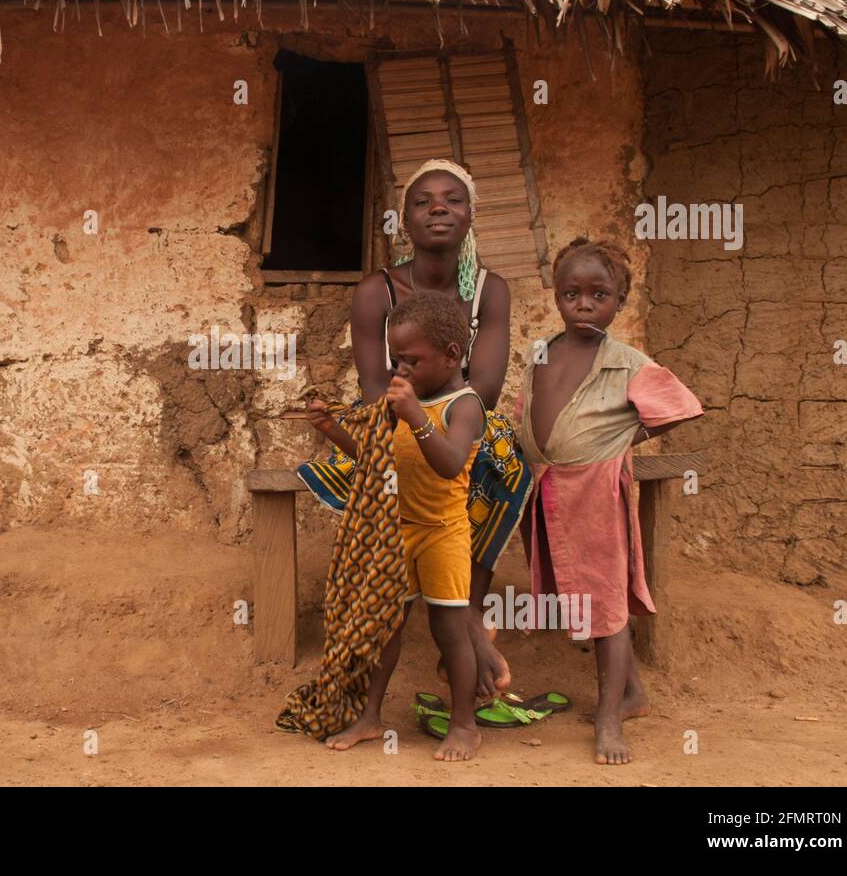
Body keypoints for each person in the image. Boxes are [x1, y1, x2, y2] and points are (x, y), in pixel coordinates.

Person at [299, 158, 531, 699]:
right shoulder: (374, 291)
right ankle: (462, 622)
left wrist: (431, 417)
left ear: (471, 214)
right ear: (404, 219)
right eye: (423, 202)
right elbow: (378, 385)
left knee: (501, 458)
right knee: (375, 464)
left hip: (463, 414)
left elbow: (487, 388)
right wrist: (408, 421)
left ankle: (465, 609)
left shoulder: (490, 290)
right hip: (391, 413)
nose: (438, 209)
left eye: (452, 199)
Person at [513, 237, 703, 765]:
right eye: (571, 292)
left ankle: (610, 720)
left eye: (599, 293)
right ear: (556, 296)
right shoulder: (541, 352)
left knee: (605, 606)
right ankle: (634, 693)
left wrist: (623, 440)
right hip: (547, 488)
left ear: (620, 298)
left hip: (593, 492)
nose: (584, 303)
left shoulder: (627, 362)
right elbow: (529, 407)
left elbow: (682, 406)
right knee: (583, 596)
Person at [307, 291, 486, 761]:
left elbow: (449, 465)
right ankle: (370, 717)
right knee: (387, 626)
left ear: (451, 356)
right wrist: (330, 429)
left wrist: (415, 416)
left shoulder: (463, 405)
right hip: (397, 530)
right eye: (395, 360)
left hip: (443, 532)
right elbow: (370, 458)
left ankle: (465, 725)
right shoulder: (400, 402)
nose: (400, 370)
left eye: (411, 360)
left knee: (451, 631)